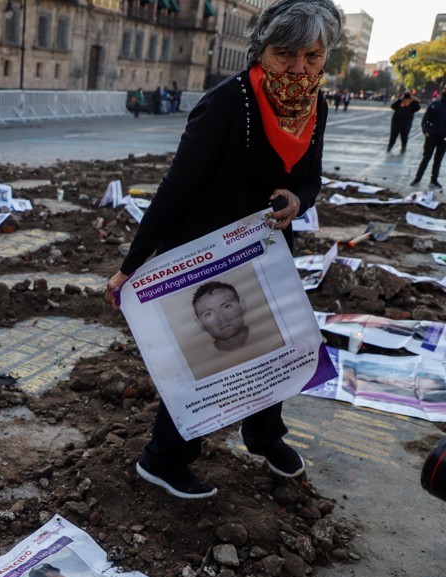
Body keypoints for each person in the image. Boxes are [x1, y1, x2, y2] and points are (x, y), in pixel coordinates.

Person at [105, 0, 339, 499]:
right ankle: (163, 460)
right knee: (204, 354)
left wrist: (299, 199)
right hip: (205, 253)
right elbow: (176, 188)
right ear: (261, 52)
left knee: (270, 342)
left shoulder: (313, 108)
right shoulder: (227, 104)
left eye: (312, 57)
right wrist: (131, 266)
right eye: (285, 55)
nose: (299, 69)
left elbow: (312, 178)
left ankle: (262, 435)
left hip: (267, 251)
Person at [193, 281, 249, 351]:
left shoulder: (265, 332)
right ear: (200, 324)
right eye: (208, 314)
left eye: (227, 306)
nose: (221, 318)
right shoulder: (200, 359)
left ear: (242, 306)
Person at [410, 95, 446, 190]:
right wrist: (425, 130)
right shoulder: (435, 104)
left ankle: (434, 180)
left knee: (438, 160)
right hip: (432, 135)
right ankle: (417, 178)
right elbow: (425, 118)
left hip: (443, 138)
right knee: (426, 158)